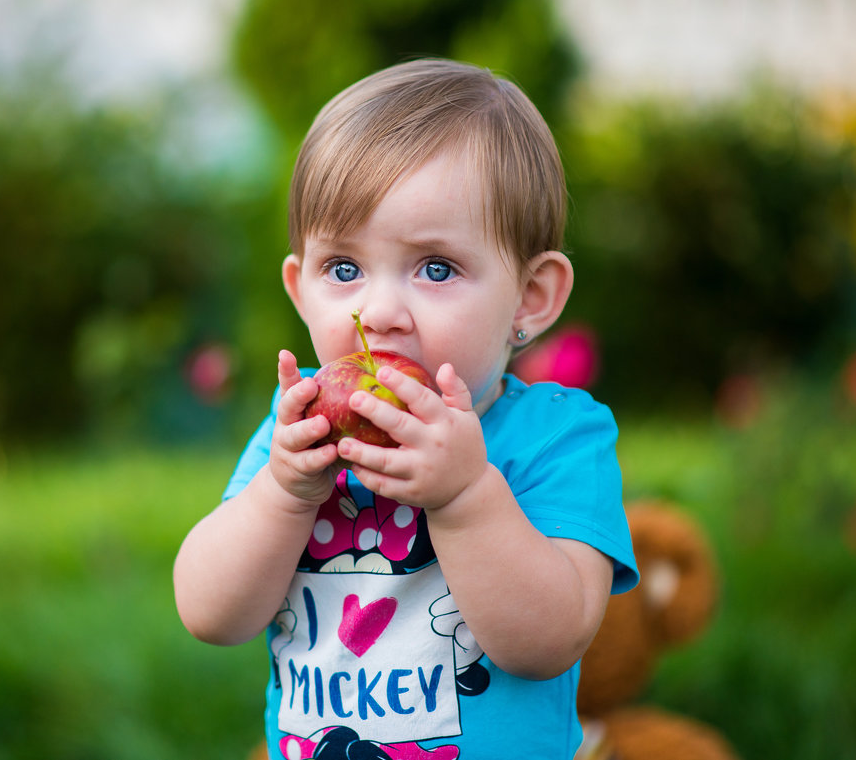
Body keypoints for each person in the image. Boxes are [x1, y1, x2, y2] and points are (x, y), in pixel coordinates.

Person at [174, 58, 639, 760]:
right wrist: (281, 493)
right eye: (344, 269)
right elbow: (209, 613)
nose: (380, 311)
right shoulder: (297, 434)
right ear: (301, 292)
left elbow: (550, 640)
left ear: (531, 297)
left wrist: (464, 496)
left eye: (436, 268)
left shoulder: (554, 440)